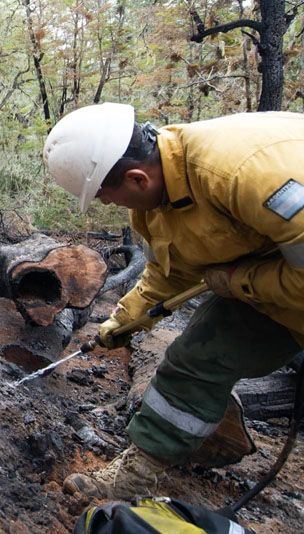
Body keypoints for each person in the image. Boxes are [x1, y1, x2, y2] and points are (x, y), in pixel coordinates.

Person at [42, 103, 304, 499]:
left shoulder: (243, 174)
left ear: (136, 178)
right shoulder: (160, 196)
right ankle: (135, 475)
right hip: (279, 278)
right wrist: (125, 319)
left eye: (109, 199)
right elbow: (170, 270)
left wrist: (239, 280)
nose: (113, 207)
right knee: (196, 357)